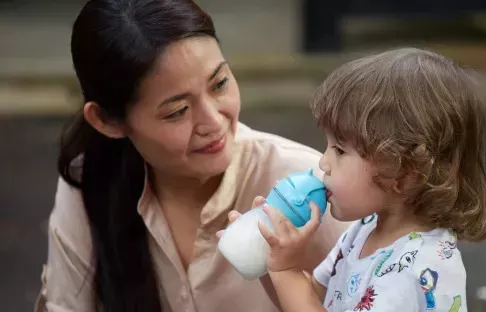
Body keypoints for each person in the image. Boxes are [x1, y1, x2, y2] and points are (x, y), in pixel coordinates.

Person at [33, 0, 348, 311]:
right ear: (107, 121)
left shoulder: (312, 186)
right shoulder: (91, 178)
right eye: (178, 111)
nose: (214, 122)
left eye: (219, 83)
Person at [219, 48, 486, 311]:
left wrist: (285, 270)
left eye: (340, 150)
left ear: (405, 174)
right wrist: (269, 258)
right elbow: (312, 298)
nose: (323, 162)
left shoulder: (422, 265)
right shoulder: (365, 230)